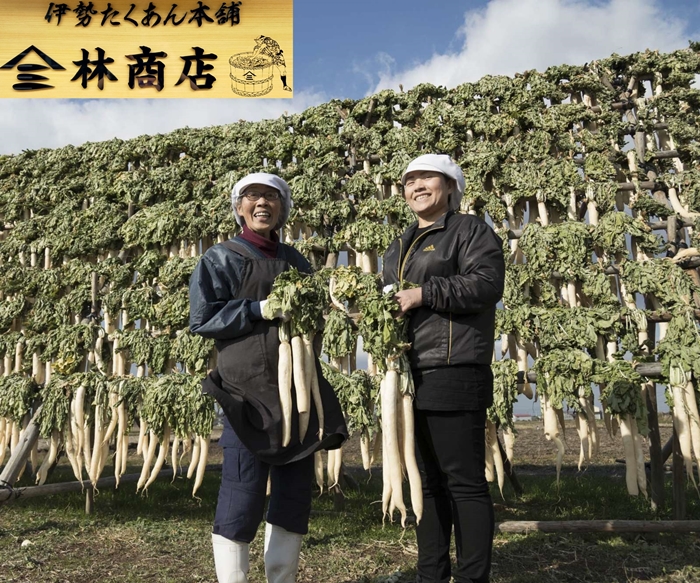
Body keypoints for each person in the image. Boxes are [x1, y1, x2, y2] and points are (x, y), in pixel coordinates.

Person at [189, 172, 347, 583]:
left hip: (297, 392)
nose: (262, 204)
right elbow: (203, 319)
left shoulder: (295, 261)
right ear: (239, 207)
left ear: (282, 209)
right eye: (252, 197)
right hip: (246, 392)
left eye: (271, 198)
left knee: (294, 495)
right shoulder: (220, 257)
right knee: (242, 493)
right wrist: (258, 310)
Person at [382, 154, 505, 583]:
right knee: (425, 482)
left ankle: (473, 578)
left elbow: (487, 285)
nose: (416, 185)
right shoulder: (398, 245)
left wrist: (423, 294)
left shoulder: (469, 231)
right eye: (409, 179)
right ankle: (430, 574)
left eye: (427, 177)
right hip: (408, 377)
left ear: (450, 186)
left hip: (455, 368)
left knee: (464, 482)